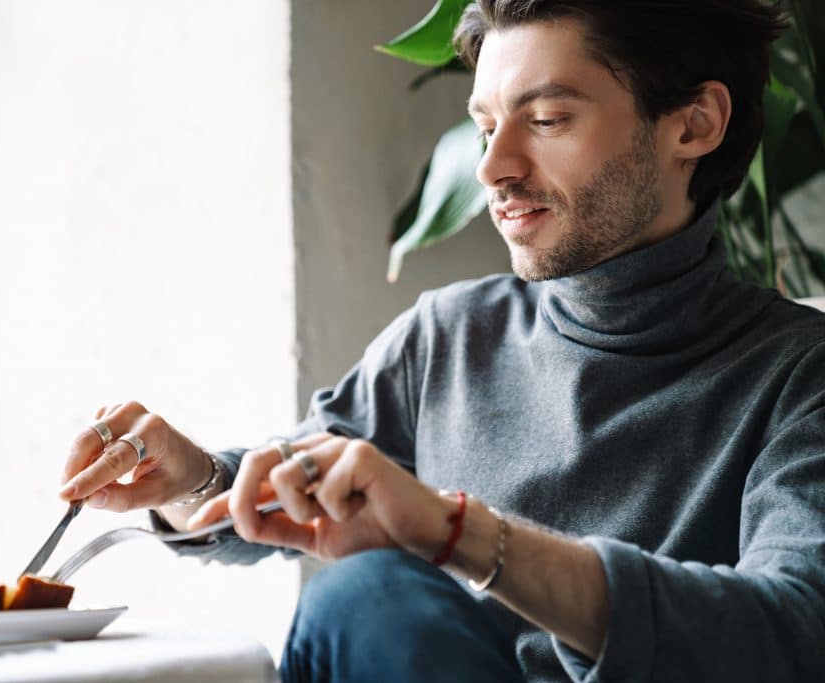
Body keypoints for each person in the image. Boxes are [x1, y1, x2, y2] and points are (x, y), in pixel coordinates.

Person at [58, 1, 825, 681]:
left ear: (693, 124)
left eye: (547, 119)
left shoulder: (800, 374)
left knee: (368, 588)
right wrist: (192, 478)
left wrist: (458, 532)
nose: (493, 167)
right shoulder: (448, 337)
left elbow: (797, 628)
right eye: (486, 126)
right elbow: (289, 490)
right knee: (364, 598)